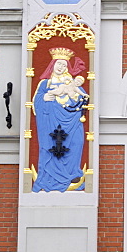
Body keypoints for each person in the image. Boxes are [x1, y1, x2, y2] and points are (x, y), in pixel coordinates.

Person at [32, 48, 89, 193]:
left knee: (77, 142)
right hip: (50, 122)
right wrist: (43, 99)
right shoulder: (45, 84)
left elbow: (82, 98)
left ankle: (72, 173)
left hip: (73, 119)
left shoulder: (72, 82)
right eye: (59, 64)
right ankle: (49, 178)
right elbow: (37, 102)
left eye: (64, 65)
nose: (61, 67)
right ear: (52, 64)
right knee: (51, 147)